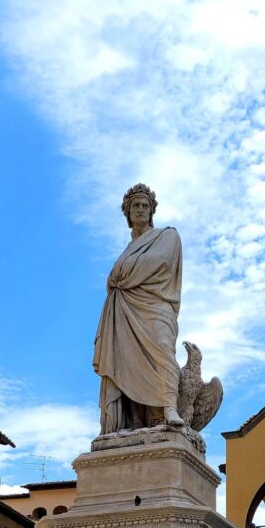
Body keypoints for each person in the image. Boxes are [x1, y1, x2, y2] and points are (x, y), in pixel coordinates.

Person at [93, 183, 185, 434]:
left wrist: (123, 274)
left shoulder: (167, 236)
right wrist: (121, 274)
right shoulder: (127, 251)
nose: (141, 209)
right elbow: (113, 279)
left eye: (146, 205)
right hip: (125, 309)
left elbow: (158, 262)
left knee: (163, 348)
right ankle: (134, 421)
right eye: (136, 206)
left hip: (155, 306)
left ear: (152, 210)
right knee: (126, 361)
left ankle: (169, 407)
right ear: (128, 212)